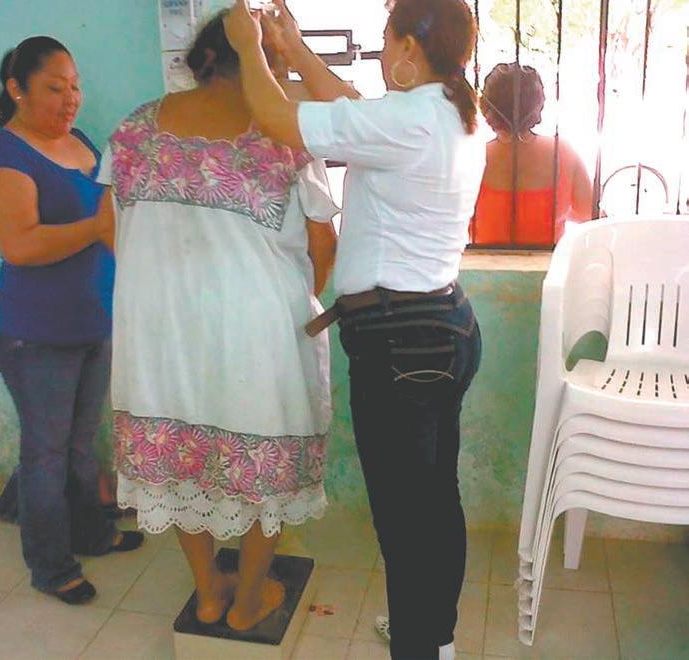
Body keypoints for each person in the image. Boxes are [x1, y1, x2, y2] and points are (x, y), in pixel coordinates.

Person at [225, 0, 484, 657]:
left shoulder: (411, 119)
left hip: (403, 342)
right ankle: (435, 640)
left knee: (406, 521)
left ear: (409, 48)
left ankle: (420, 647)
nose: (381, 51)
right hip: (439, 328)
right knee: (434, 503)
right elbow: (349, 107)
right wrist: (295, 47)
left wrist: (249, 46)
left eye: (386, 38)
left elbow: (277, 117)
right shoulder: (441, 111)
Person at [97, 11, 338, 631]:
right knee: (266, 465)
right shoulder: (284, 135)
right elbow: (323, 243)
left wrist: (161, 290)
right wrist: (290, 303)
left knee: (180, 464)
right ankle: (248, 600)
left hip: (159, 333)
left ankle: (208, 593)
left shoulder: (133, 130)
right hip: (257, 333)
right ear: (264, 64)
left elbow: (107, 227)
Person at [0, 36, 142, 606]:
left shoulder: (81, 142)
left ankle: (91, 534)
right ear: (17, 90)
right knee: (45, 454)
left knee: (80, 445)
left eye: (75, 87)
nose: (71, 99)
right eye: (54, 88)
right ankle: (50, 565)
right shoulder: (3, 156)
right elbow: (19, 245)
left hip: (94, 321)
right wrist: (96, 228)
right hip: (35, 333)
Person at [472, 63, 594, 246]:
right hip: (548, 262)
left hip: (482, 262)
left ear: (486, 107)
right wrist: (558, 211)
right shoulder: (562, 153)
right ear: (538, 105)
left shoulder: (473, 157)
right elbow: (589, 214)